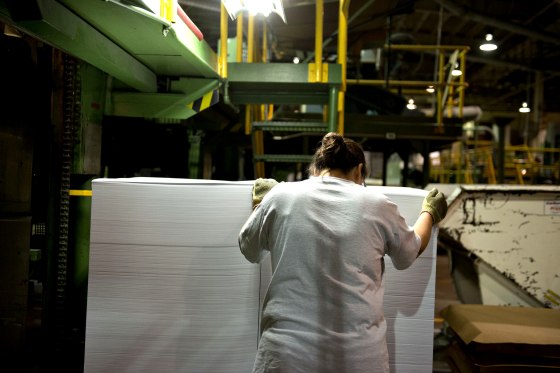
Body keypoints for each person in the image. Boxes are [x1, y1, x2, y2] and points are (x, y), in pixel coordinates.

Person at [238, 132, 447, 372]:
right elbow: (409, 252)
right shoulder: (378, 204)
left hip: (285, 355)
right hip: (358, 357)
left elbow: (249, 248)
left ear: (315, 169)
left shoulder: (280, 196)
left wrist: (262, 206)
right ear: (359, 171)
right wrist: (429, 213)